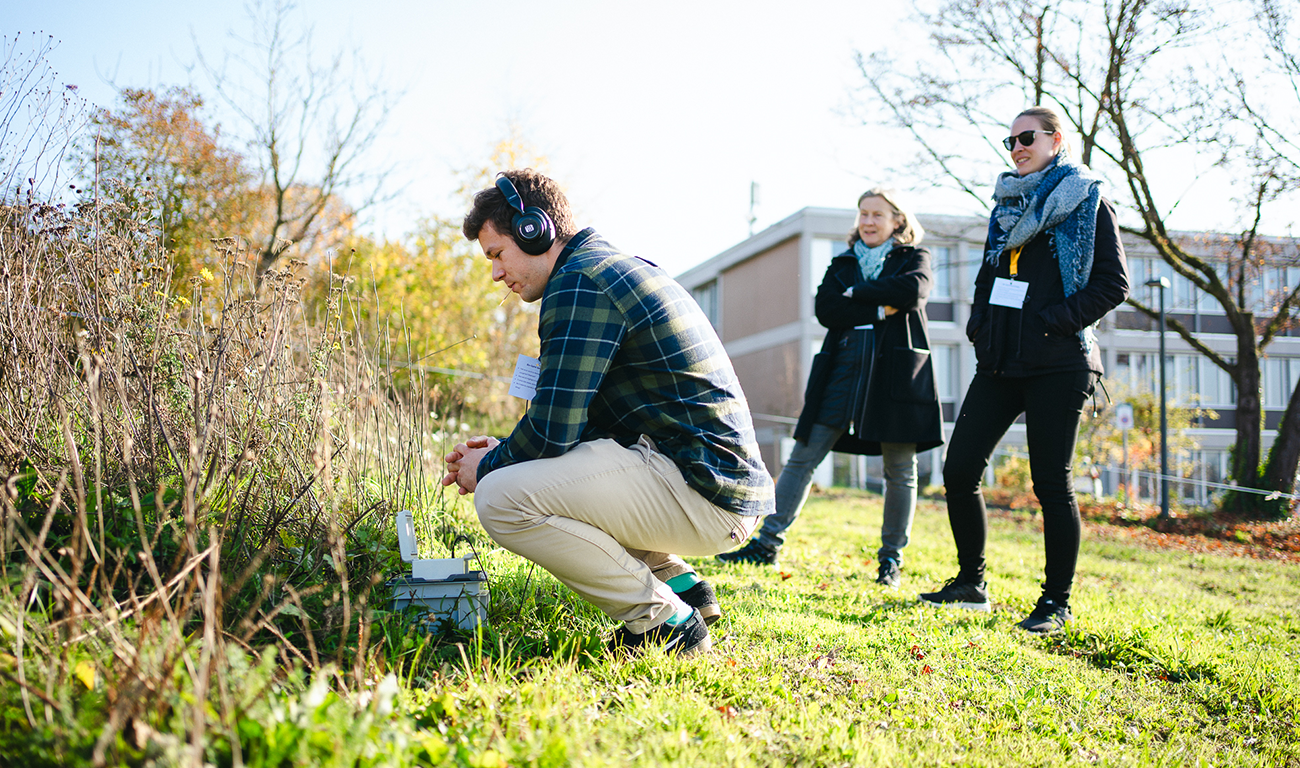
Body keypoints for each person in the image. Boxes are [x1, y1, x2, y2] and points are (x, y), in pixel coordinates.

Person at [442, 169, 775, 657]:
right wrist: (505, 452)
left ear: (536, 231)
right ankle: (680, 587)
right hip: (703, 480)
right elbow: (574, 427)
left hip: (705, 492)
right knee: (521, 477)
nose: (495, 272)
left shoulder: (580, 283)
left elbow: (553, 432)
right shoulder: (601, 269)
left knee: (499, 499)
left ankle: (665, 623)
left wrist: (490, 467)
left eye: (497, 254)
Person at [919, 105, 1129, 632]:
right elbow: (990, 275)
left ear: (1056, 140)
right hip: (1000, 361)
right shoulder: (1005, 206)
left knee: (1050, 484)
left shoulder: (1088, 200)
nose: (1016, 147)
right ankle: (971, 583)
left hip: (1059, 362)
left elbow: (1112, 284)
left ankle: (1055, 604)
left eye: (1026, 137)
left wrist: (1053, 322)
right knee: (959, 469)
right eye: (1009, 140)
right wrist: (979, 326)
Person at [717, 188, 943, 589]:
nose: (869, 222)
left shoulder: (915, 258)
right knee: (803, 457)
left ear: (898, 221)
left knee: (899, 470)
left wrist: (856, 295)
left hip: (894, 376)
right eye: (863, 214)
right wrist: (876, 305)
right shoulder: (842, 262)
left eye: (878, 215)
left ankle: (891, 560)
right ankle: (767, 544)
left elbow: (912, 293)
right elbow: (826, 308)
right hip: (841, 370)